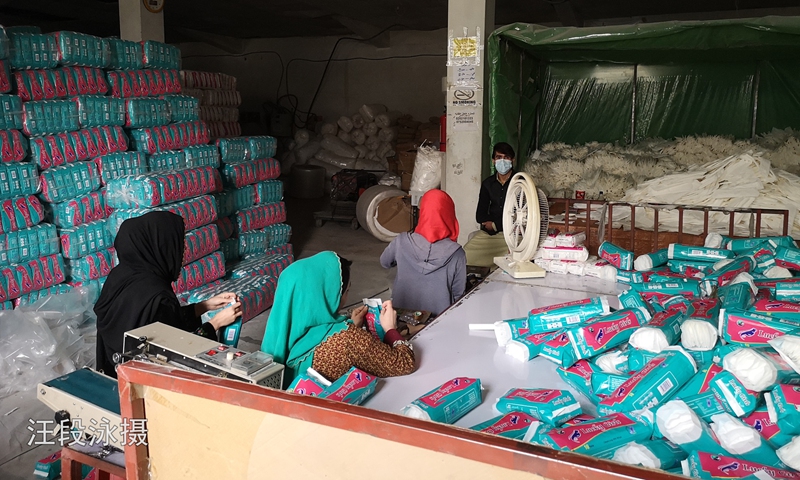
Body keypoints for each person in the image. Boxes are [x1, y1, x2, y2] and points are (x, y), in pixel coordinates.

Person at [94, 211, 242, 378]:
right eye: (179, 243)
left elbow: (156, 324)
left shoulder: (119, 278)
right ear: (161, 245)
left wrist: (203, 306)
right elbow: (176, 355)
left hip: (113, 378)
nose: (183, 250)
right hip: (144, 386)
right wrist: (215, 323)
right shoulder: (157, 294)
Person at [261, 251, 415, 388]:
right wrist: (390, 329)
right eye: (346, 291)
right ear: (326, 295)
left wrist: (352, 324)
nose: (345, 297)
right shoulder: (346, 340)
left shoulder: (272, 342)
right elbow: (403, 363)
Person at [380, 189, 466, 316]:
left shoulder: (401, 241)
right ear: (449, 215)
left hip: (401, 318)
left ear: (423, 212)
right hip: (438, 321)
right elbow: (459, 293)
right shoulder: (457, 253)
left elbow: (384, 262)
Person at [463, 142, 516, 267]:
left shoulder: (521, 182)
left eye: (506, 157)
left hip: (514, 235)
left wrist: (495, 225)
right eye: (498, 157)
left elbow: (526, 215)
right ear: (493, 161)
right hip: (492, 236)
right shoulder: (488, 184)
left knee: (514, 259)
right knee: (467, 253)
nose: (502, 161)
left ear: (513, 160)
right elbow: (480, 215)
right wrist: (490, 226)